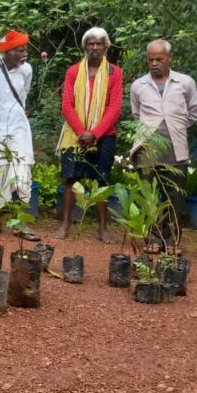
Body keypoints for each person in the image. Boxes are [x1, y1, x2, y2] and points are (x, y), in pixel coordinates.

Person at [129, 39, 197, 255]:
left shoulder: (185, 83)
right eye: (151, 59)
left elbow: (193, 113)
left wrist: (172, 127)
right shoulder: (138, 85)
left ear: (170, 58)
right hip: (147, 149)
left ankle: (171, 240)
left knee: (174, 196)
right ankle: (152, 238)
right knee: (149, 195)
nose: (154, 63)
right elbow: (136, 114)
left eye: (159, 59)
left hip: (176, 147)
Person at [53, 27, 123, 242]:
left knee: (101, 179)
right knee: (71, 179)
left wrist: (94, 133)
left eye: (99, 43)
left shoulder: (114, 73)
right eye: (91, 43)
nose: (95, 47)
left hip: (104, 135)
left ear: (105, 47)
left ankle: (102, 228)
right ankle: (65, 224)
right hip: (75, 135)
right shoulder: (73, 72)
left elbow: (115, 107)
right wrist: (81, 131)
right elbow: (67, 105)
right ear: (84, 47)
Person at [0, 30, 38, 239]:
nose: (25, 53)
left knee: (22, 172)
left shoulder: (27, 70)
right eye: (20, 50)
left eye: (25, 49)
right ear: (7, 52)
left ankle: (21, 223)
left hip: (19, 128)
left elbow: (24, 95)